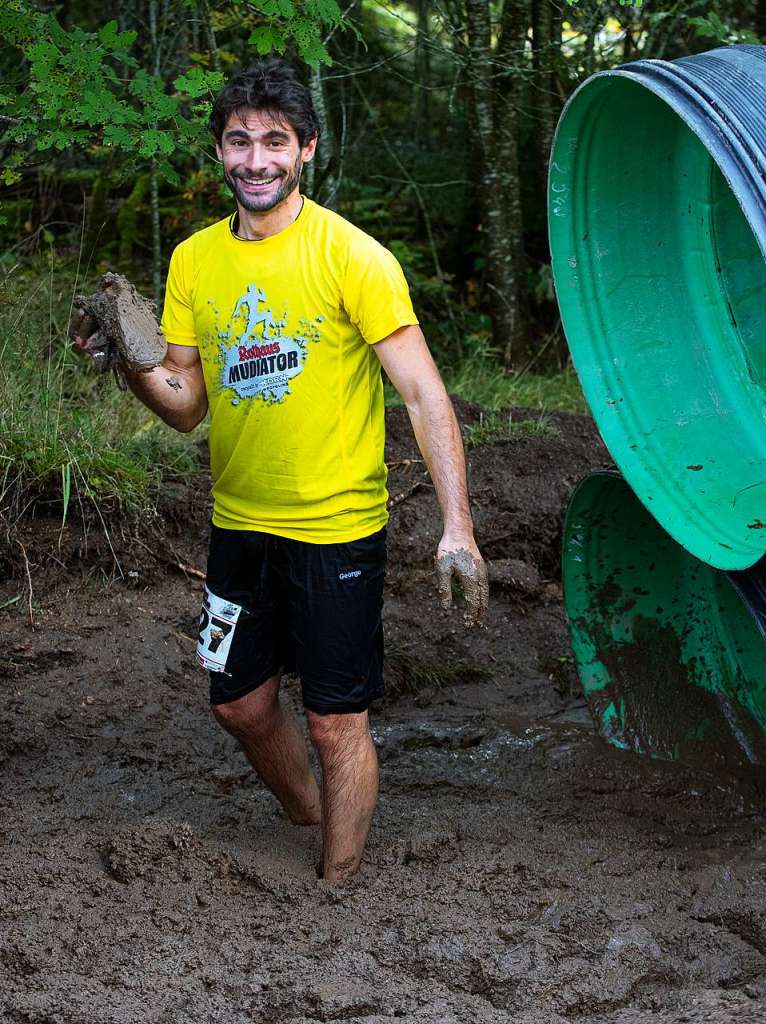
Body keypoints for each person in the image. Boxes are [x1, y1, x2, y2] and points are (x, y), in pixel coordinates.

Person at [73, 58, 488, 882]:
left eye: (273, 141)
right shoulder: (196, 259)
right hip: (240, 525)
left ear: (306, 150)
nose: (254, 159)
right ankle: (311, 812)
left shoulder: (352, 256)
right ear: (220, 149)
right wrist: (128, 356)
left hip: (336, 532)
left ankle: (337, 887)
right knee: (239, 704)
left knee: (337, 723)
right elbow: (187, 403)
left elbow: (424, 395)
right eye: (238, 140)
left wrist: (459, 528)